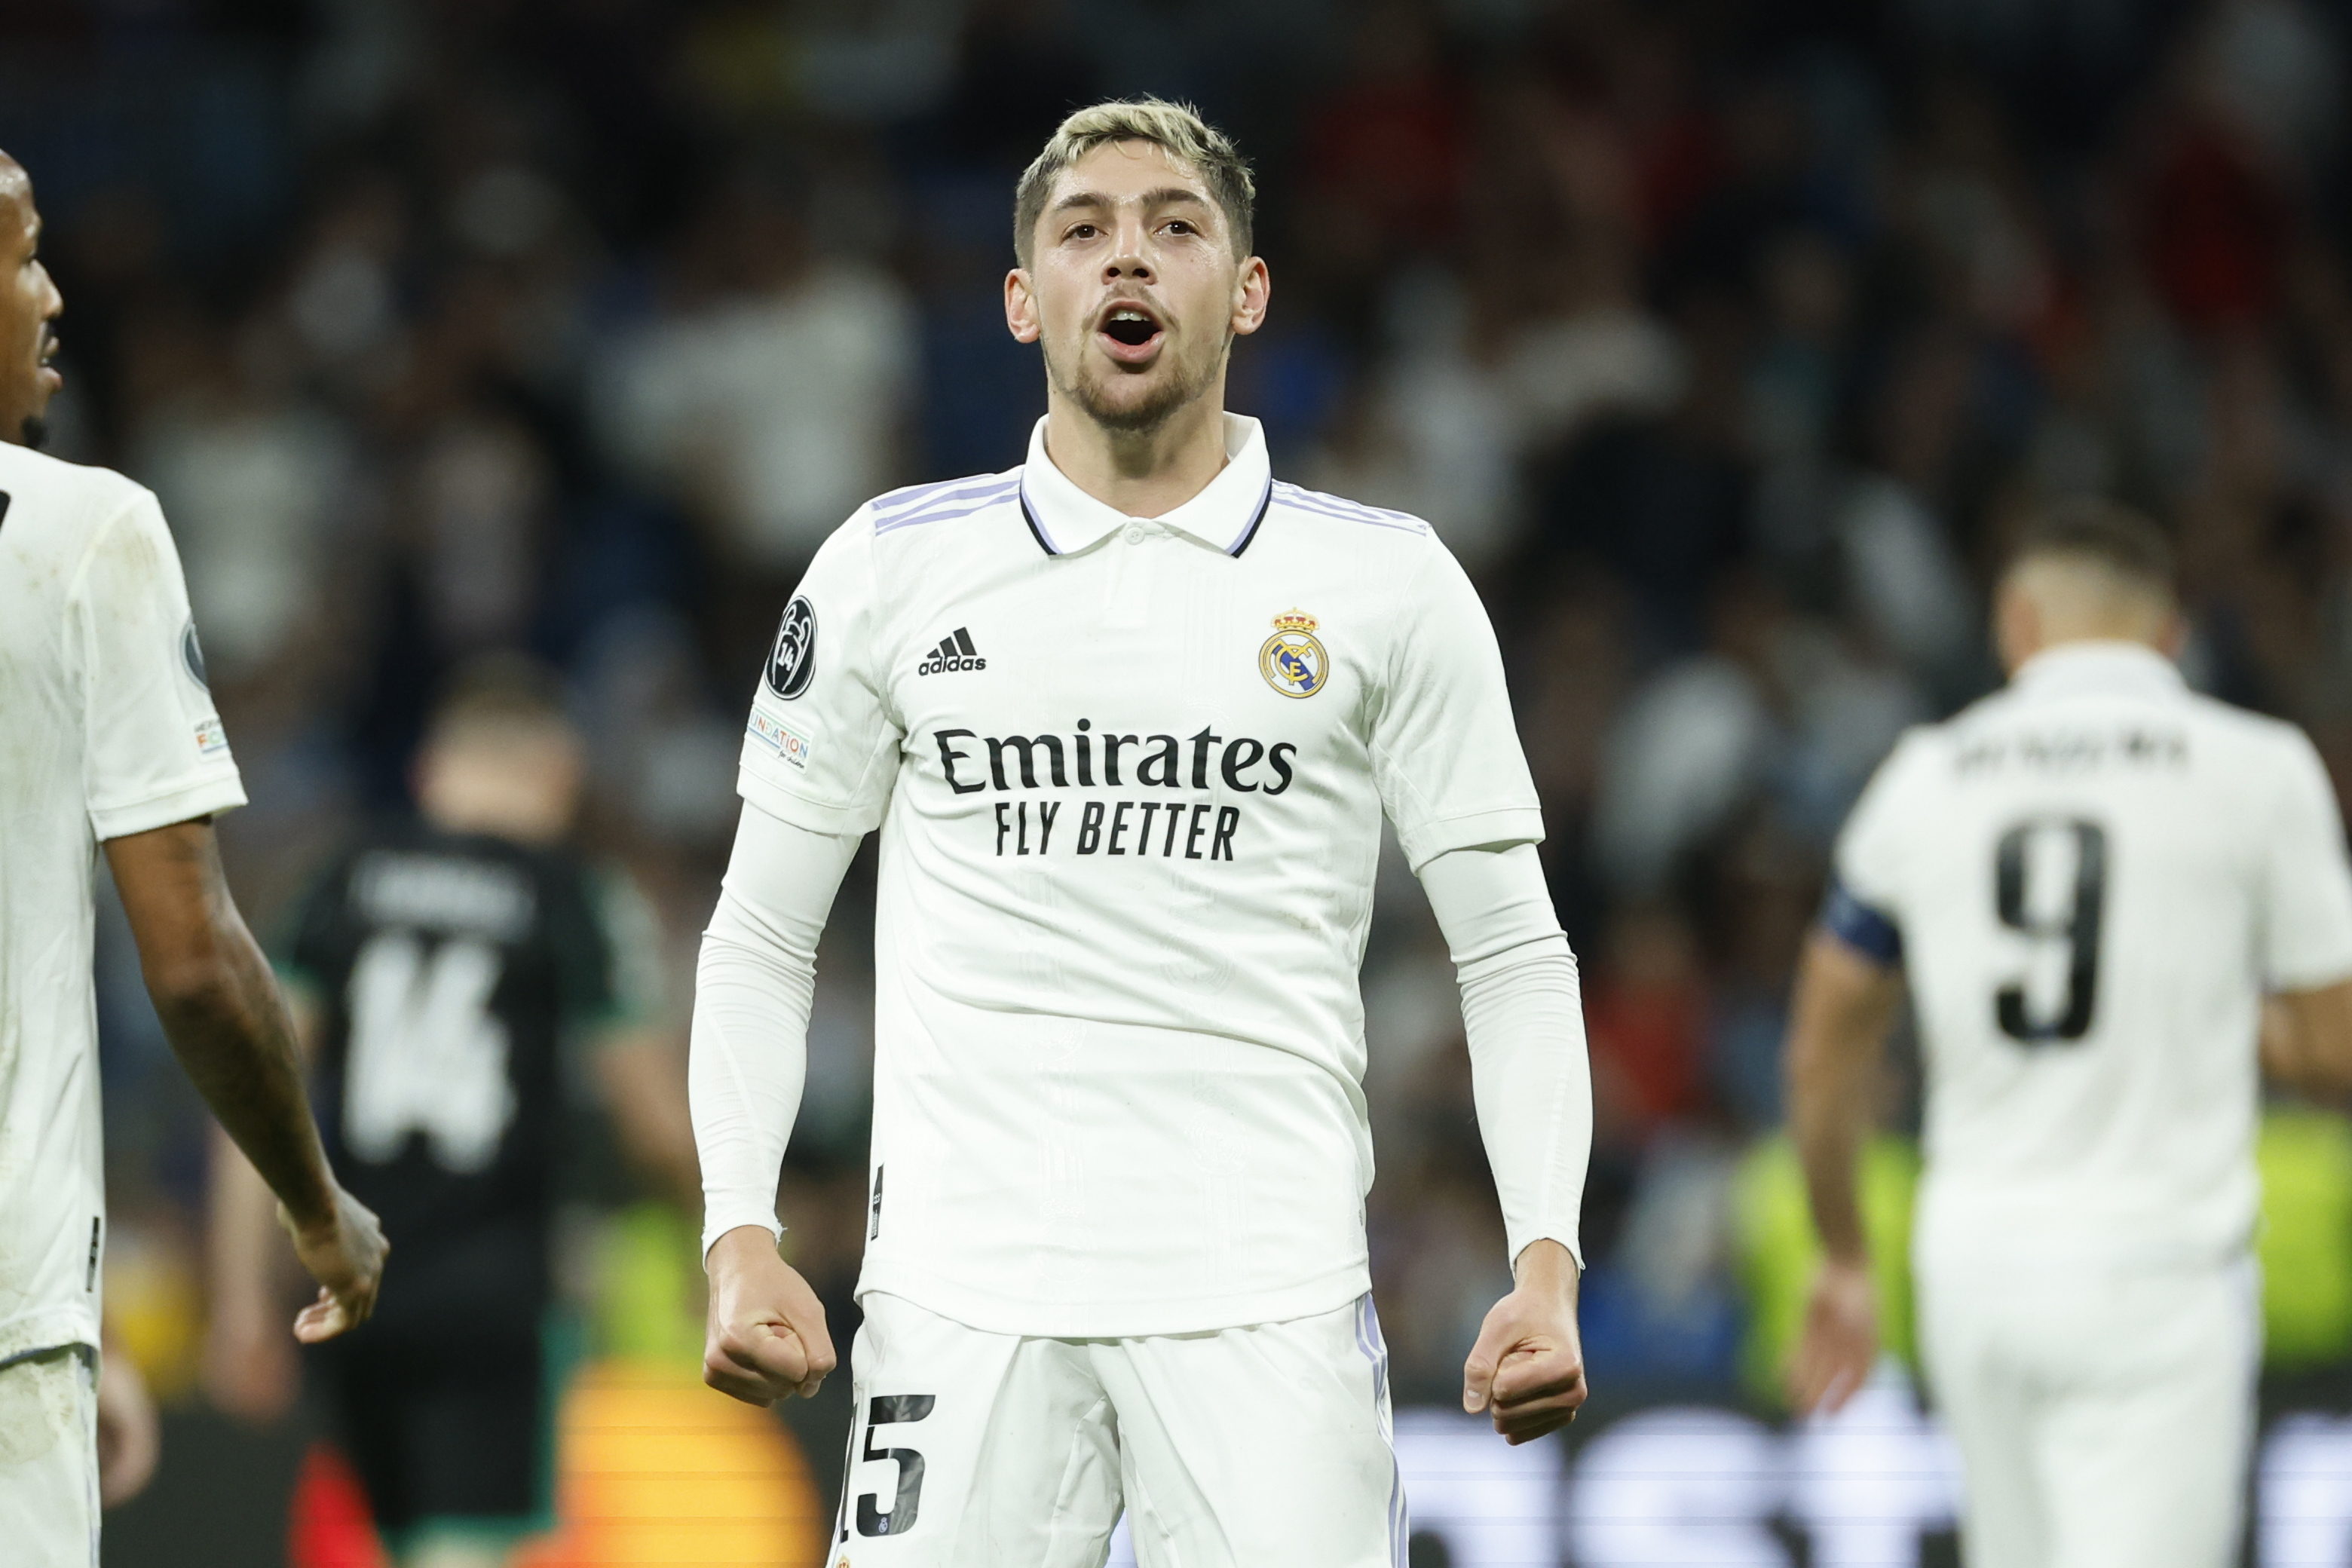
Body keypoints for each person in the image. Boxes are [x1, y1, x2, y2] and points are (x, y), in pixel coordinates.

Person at [691, 99, 1594, 1566]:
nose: (1130, 258)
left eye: (1176, 227)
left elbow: (1509, 947)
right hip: (959, 1303)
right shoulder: (887, 570)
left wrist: (1544, 1260)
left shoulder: (1385, 583)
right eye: (1084, 229)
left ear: (1245, 291)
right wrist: (739, 1227)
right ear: (1020, 295)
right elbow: (760, 930)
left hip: (1269, 1301)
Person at [1784, 498, 2352, 1568]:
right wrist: (2221, 1007)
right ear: (2171, 634)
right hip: (2161, 1271)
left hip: (1978, 1272)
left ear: (2017, 626)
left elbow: (1821, 1050)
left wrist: (1846, 1255)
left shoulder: (1925, 775)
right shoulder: (2260, 769)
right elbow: (2335, 1055)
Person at [0, 150, 387, 1565]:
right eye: (21, 256)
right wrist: (315, 1202)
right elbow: (197, 960)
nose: (50, 298)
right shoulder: (81, 531)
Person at [205, 659, 696, 1568]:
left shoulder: (338, 876)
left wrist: (239, 1297)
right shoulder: (572, 895)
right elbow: (657, 1123)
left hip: (354, 1285)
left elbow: (255, 1095)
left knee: (401, 1546)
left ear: (433, 770)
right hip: (497, 1293)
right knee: (465, 1552)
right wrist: (723, 1247)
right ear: (560, 775)